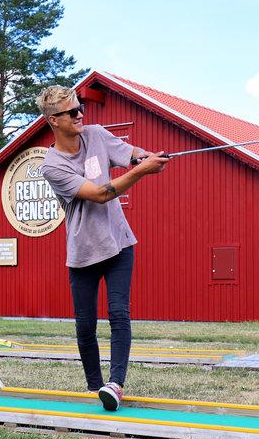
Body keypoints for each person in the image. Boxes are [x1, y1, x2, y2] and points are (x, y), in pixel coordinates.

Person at [37, 85, 168, 411]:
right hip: (83, 251)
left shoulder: (95, 134)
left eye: (80, 107)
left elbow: (128, 151)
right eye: (72, 112)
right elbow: (99, 194)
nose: (80, 114)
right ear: (54, 120)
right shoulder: (52, 166)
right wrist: (141, 171)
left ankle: (115, 384)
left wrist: (143, 157)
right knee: (85, 325)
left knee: (119, 313)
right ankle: (94, 387)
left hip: (118, 243)